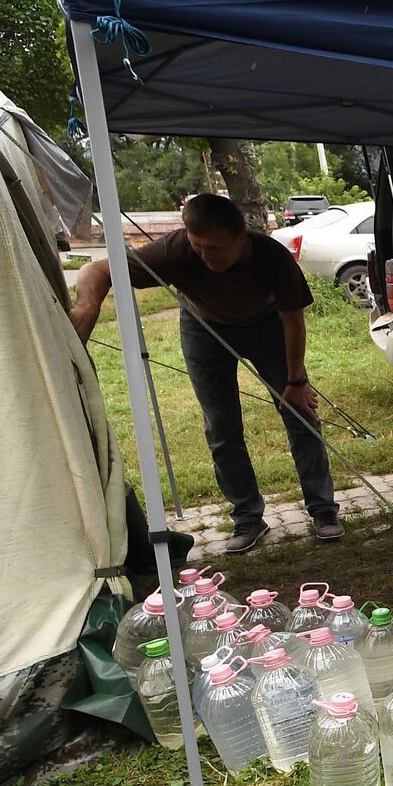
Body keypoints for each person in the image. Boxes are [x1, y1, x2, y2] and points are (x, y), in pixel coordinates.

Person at [69, 193, 343, 553]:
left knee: (300, 413)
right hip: (204, 328)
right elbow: (97, 269)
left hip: (268, 326)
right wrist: (88, 305)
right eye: (198, 247)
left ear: (240, 238)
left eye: (215, 248)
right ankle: (247, 519)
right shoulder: (176, 250)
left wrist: (296, 381)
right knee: (221, 427)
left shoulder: (271, 256)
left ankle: (323, 511)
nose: (205, 257)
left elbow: (293, 320)